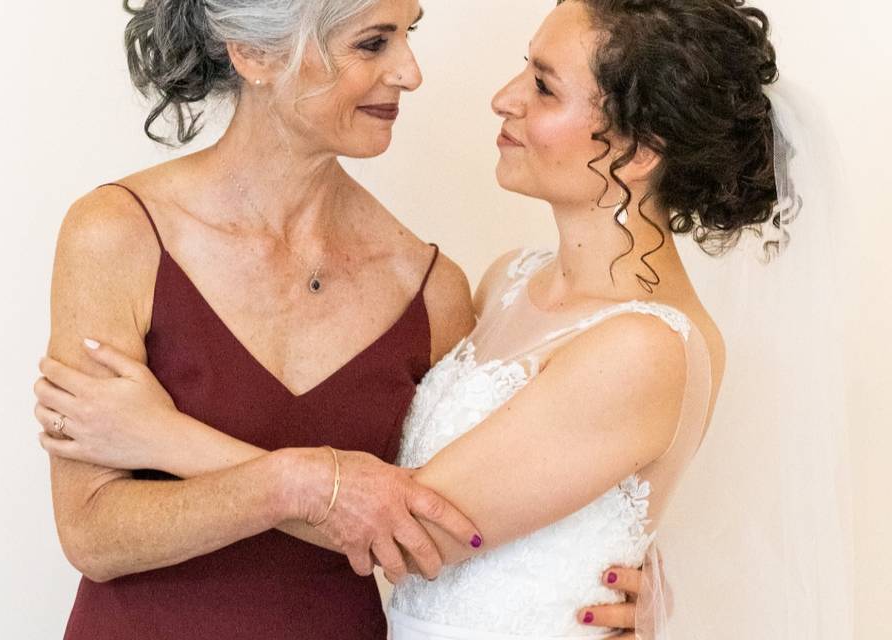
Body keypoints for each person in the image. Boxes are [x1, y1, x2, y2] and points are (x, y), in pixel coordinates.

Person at [34, 0, 643, 638]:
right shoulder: (117, 233)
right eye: (373, 43)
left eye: (409, 37)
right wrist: (297, 484)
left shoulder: (434, 289)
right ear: (255, 54)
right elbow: (91, 534)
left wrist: (605, 578)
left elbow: (441, 518)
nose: (411, 72)